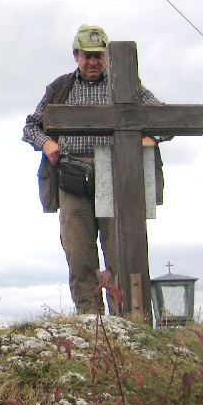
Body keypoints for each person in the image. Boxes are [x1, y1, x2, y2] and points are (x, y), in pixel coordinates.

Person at [22, 24, 166, 314]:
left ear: (108, 57)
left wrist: (152, 136)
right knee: (78, 252)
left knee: (121, 251)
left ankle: (126, 318)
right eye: (86, 55)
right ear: (76, 55)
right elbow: (30, 126)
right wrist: (46, 142)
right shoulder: (61, 88)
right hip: (72, 175)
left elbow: (163, 116)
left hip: (117, 176)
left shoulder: (126, 86)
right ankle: (89, 318)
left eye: (98, 55)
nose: (92, 62)